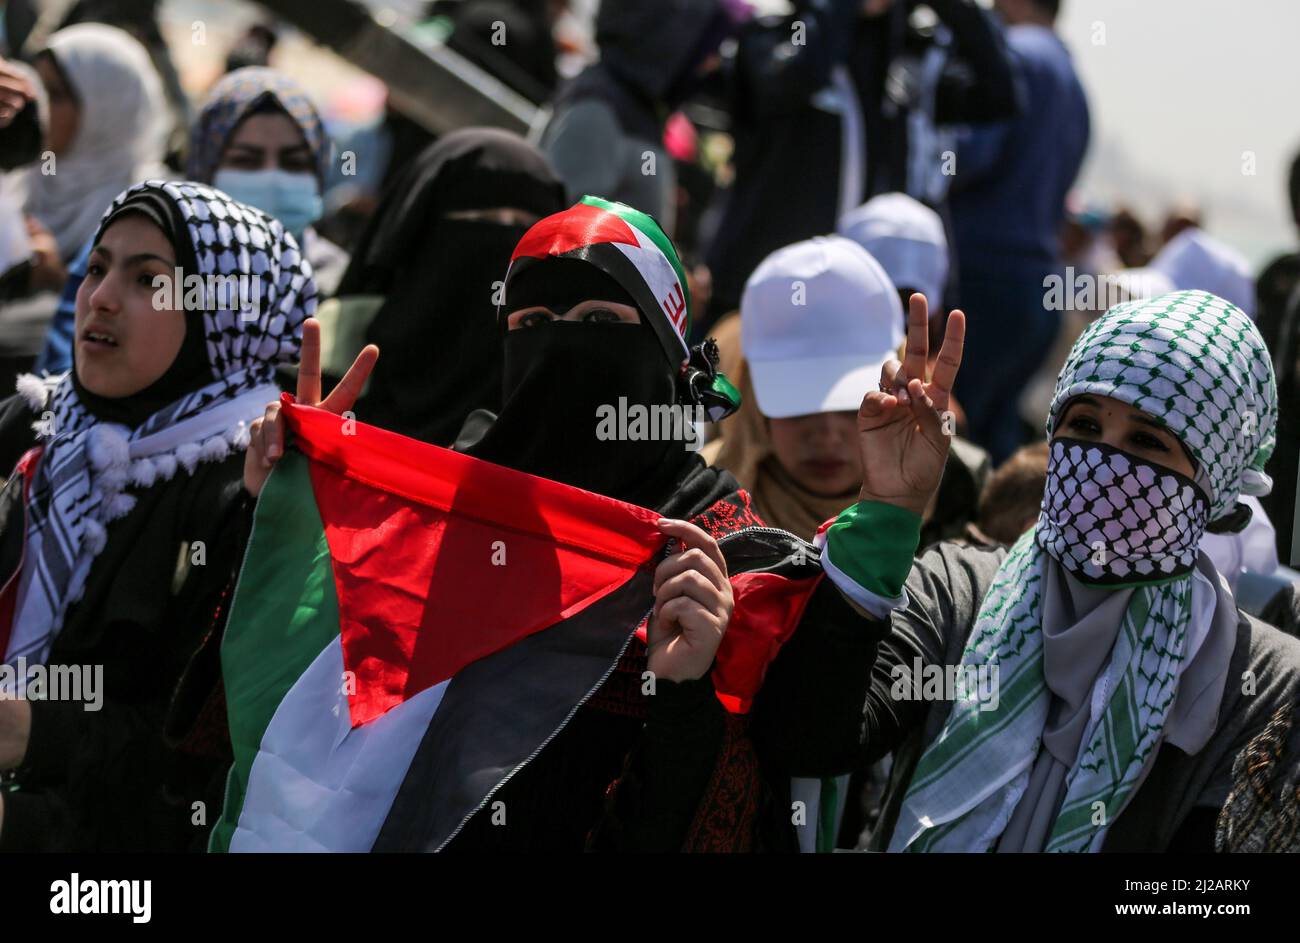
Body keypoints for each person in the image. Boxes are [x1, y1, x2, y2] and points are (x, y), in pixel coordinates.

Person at [241, 195, 970, 852]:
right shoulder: (437, 509)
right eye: (533, 324)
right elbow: (272, 724)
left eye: (597, 323)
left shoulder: (720, 545)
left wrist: (886, 513)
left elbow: (811, 735)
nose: (561, 348)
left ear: (668, 356)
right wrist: (297, 517)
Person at [822, 288, 1299, 852]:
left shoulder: (1260, 685)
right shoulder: (961, 590)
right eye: (1086, 427)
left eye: (1147, 441)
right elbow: (817, 739)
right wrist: (887, 510)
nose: (1103, 464)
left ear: (1213, 483)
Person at [0, 179, 313, 851]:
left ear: (222, 316)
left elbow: (194, 759)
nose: (102, 297)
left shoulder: (245, 487)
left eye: (149, 280)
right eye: (97, 266)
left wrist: (30, 734)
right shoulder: (36, 424)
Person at [704, 0, 1019, 327]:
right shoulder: (774, 36)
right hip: (760, 299)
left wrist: (954, 8)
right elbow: (792, 77)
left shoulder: (906, 60)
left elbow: (1000, 95)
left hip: (851, 313)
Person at [34, 67, 345, 377]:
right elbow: (67, 372)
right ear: (204, 168)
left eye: (294, 162)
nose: (273, 178)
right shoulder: (132, 250)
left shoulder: (340, 283)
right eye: (245, 160)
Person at [337, 128, 566, 447]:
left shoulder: (542, 418)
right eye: (480, 217)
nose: (502, 241)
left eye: (524, 227)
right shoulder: (330, 375)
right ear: (418, 231)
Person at [948, 0, 1089, 463]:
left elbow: (970, 157)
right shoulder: (1073, 80)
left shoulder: (1013, 55)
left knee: (946, 446)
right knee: (989, 452)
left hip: (982, 286)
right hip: (1034, 293)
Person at [537, 0, 742, 236]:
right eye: (707, 50)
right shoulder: (598, 111)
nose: (712, 64)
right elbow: (553, 230)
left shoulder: (640, 112)